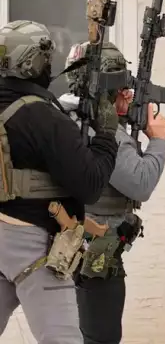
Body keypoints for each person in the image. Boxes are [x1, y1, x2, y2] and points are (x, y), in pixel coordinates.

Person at [0, 20, 118, 343]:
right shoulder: (41, 116)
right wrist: (107, 135)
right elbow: (90, 184)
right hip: (33, 242)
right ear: (33, 62)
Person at [58, 41, 165, 344]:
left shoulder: (62, 116)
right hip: (96, 250)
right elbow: (140, 183)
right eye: (122, 88)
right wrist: (158, 140)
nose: (128, 94)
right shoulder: (103, 132)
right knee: (102, 336)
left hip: (68, 244)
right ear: (106, 90)